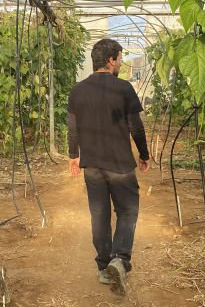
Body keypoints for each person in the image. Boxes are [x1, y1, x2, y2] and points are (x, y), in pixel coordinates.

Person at [66, 38, 150, 295]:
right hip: (120, 166)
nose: (122, 62)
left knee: (99, 216)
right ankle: (120, 259)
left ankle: (104, 266)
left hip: (92, 166)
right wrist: (144, 154)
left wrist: (73, 155)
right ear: (111, 60)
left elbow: (72, 126)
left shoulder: (77, 90)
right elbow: (135, 125)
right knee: (126, 213)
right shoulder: (123, 88)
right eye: (121, 58)